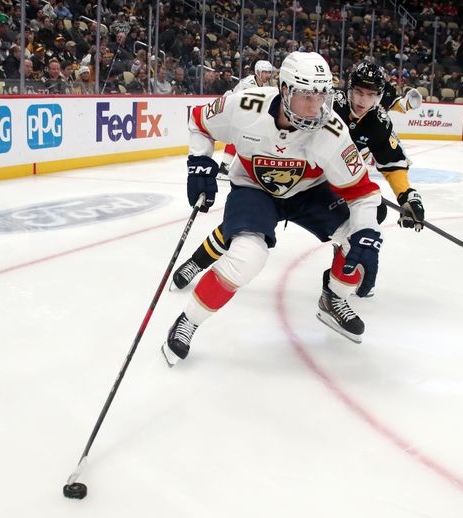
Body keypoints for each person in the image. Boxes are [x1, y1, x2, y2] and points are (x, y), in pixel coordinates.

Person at [162, 51, 385, 366]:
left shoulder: (332, 130)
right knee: (246, 257)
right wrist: (199, 162)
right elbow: (200, 121)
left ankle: (332, 297)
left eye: (321, 95)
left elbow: (362, 191)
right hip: (255, 189)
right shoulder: (244, 106)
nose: (314, 106)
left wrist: (367, 232)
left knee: (356, 250)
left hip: (308, 192)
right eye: (305, 95)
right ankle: (189, 320)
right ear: (284, 90)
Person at [172, 61, 425, 295]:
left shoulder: (378, 123)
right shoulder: (324, 103)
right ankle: (197, 261)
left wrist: (406, 195)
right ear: (348, 89)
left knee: (366, 217)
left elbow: (392, 164)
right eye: (359, 92)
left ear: (380, 97)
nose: (363, 100)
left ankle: (338, 281)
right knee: (245, 226)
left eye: (371, 95)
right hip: (280, 168)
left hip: (319, 184)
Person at [218, 60, 275, 177]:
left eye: (269, 72)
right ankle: (224, 167)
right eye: (265, 72)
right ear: (258, 72)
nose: (268, 75)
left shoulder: (265, 85)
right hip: (231, 108)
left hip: (243, 112)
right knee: (237, 138)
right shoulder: (248, 83)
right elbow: (236, 100)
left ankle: (238, 167)